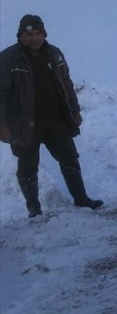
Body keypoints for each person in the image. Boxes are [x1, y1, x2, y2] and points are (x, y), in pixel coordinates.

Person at [0, 14, 104, 217]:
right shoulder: (7, 59)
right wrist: (2, 124)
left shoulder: (54, 53)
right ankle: (34, 209)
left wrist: (74, 111)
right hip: (24, 123)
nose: (34, 38)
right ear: (21, 35)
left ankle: (81, 199)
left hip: (56, 120)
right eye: (28, 34)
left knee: (70, 158)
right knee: (28, 166)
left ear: (43, 34)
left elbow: (66, 83)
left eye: (37, 33)